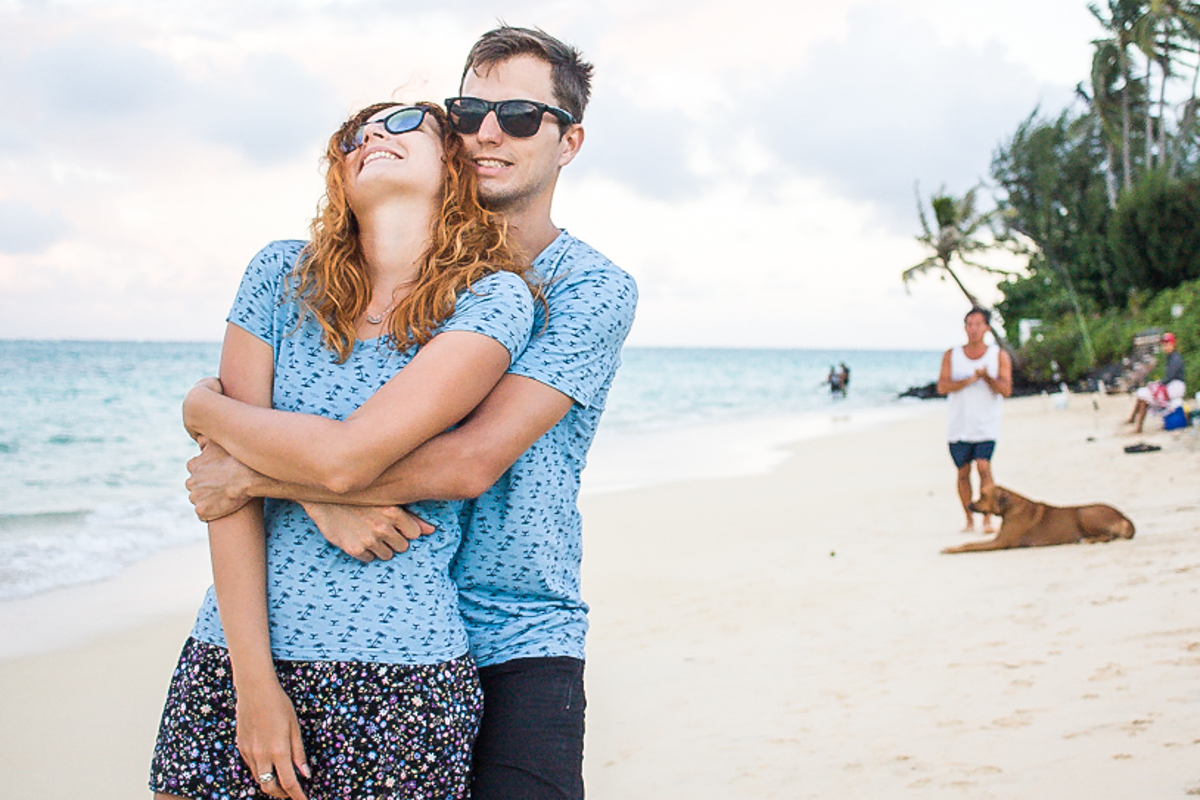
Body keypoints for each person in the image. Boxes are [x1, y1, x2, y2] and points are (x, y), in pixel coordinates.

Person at [183, 26, 637, 800]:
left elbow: (469, 461)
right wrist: (217, 418)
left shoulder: (588, 288)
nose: (487, 132)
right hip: (380, 614)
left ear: (569, 142)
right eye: (469, 112)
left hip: (515, 626)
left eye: (520, 116)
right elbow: (288, 413)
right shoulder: (370, 277)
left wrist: (268, 479)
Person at [151, 101, 537, 800]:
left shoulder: (492, 300)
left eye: (403, 124)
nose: (372, 136)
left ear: (451, 163)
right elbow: (222, 492)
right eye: (355, 135)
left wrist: (204, 410)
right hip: (233, 656)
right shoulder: (279, 275)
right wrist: (252, 685)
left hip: (403, 676)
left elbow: (343, 459)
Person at [936, 307, 1013, 533]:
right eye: (969, 324)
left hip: (986, 425)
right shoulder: (952, 355)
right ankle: (969, 519)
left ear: (986, 327)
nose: (973, 329)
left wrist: (987, 377)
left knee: (983, 467)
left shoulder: (998, 355)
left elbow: (1006, 389)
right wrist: (969, 380)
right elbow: (942, 386)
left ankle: (987, 518)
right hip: (958, 425)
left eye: (978, 324)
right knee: (962, 472)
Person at [1127, 332, 1185, 433]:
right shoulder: (1171, 357)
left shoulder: (1175, 358)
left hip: (1175, 386)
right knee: (1143, 394)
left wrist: (1158, 384)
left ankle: (1138, 427)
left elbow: (1170, 377)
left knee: (1144, 396)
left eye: (1168, 344)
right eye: (1164, 344)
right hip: (1173, 385)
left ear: (1173, 344)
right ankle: (1133, 420)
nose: (1165, 347)